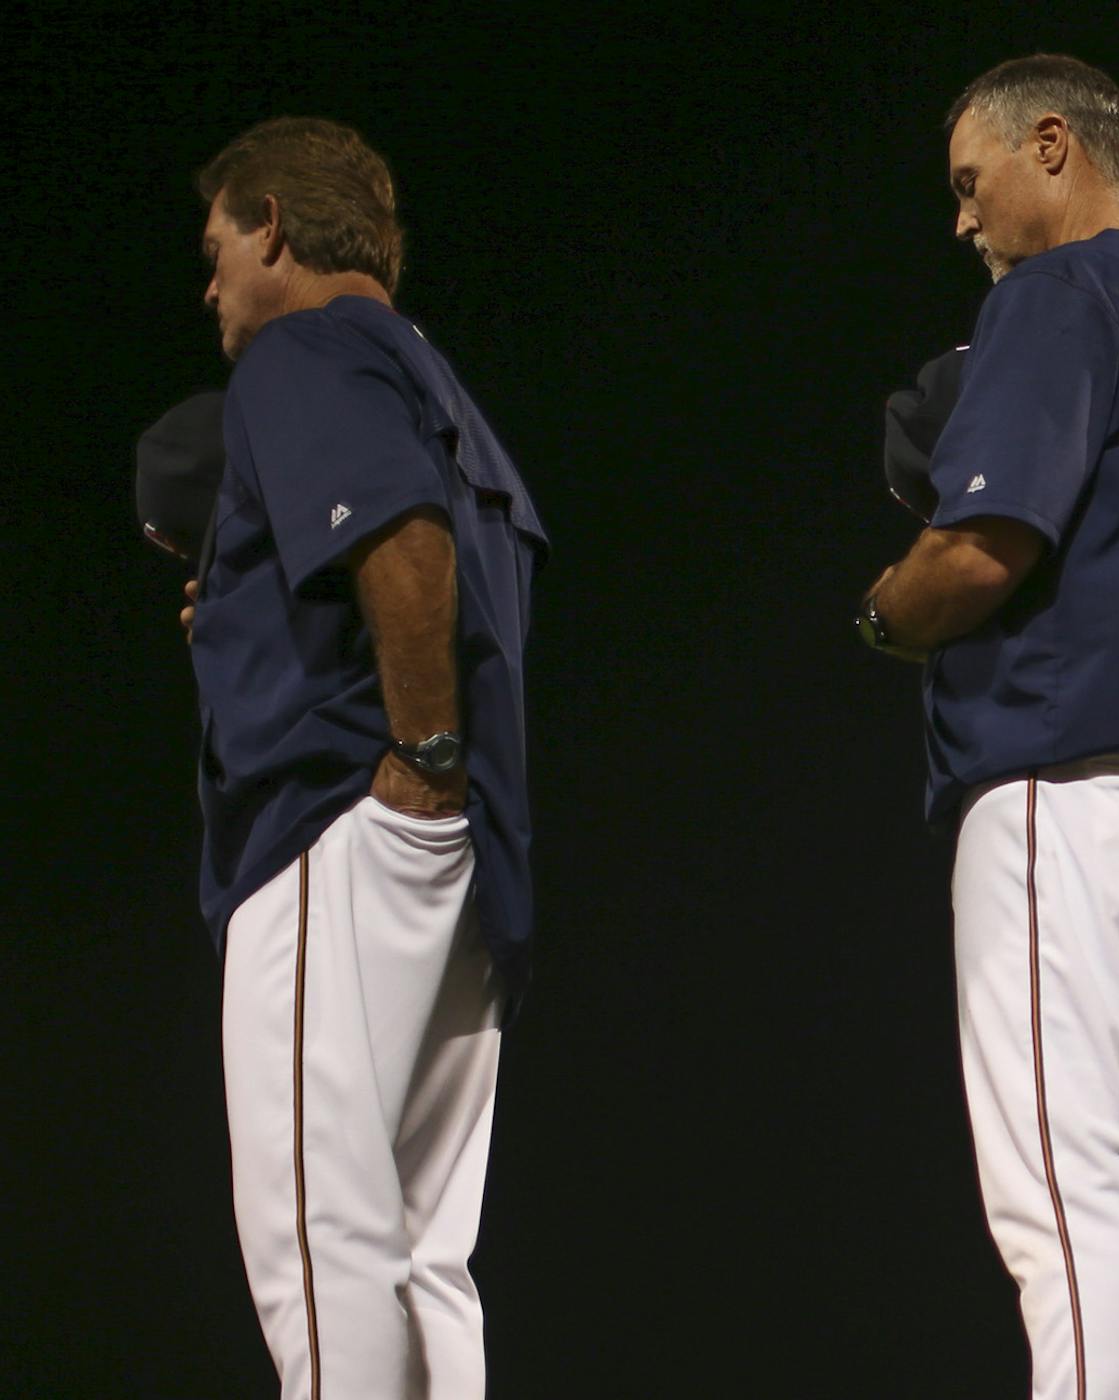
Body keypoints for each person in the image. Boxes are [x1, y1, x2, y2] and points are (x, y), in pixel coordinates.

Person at [857, 54, 1119, 1400]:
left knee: (1066, 1203)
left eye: (970, 184)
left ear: (1053, 146)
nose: (963, 221)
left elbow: (978, 551)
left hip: (1067, 776)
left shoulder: (1060, 290)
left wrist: (881, 612)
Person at [181, 116, 547, 1398]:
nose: (210, 279)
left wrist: (419, 757)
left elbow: (404, 548)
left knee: (320, 1236)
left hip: (348, 826)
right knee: (421, 1252)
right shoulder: (431, 378)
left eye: (219, 243)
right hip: (459, 859)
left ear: (274, 224)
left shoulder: (299, 352)